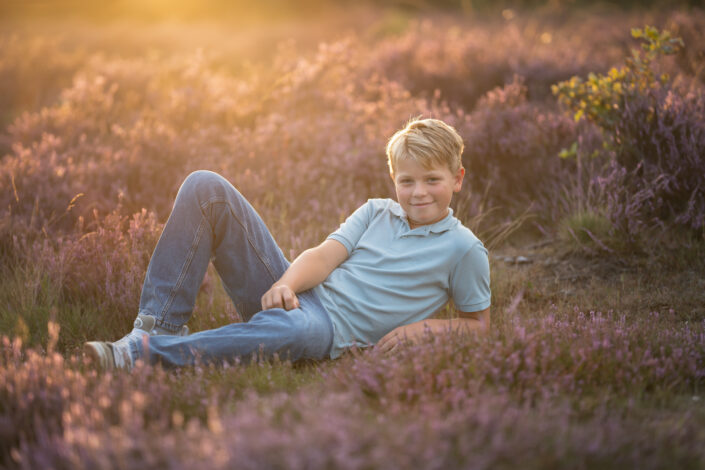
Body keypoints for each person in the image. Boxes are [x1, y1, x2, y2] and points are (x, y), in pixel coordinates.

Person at [84, 118, 491, 370]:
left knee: (293, 331)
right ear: (394, 180)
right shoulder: (377, 211)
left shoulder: (464, 250)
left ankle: (141, 358)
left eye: (432, 180)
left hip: (328, 329)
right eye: (407, 181)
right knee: (205, 186)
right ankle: (154, 327)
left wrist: (418, 333)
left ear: (457, 178)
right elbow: (325, 255)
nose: (418, 193)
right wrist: (286, 284)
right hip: (299, 295)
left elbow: (478, 325)